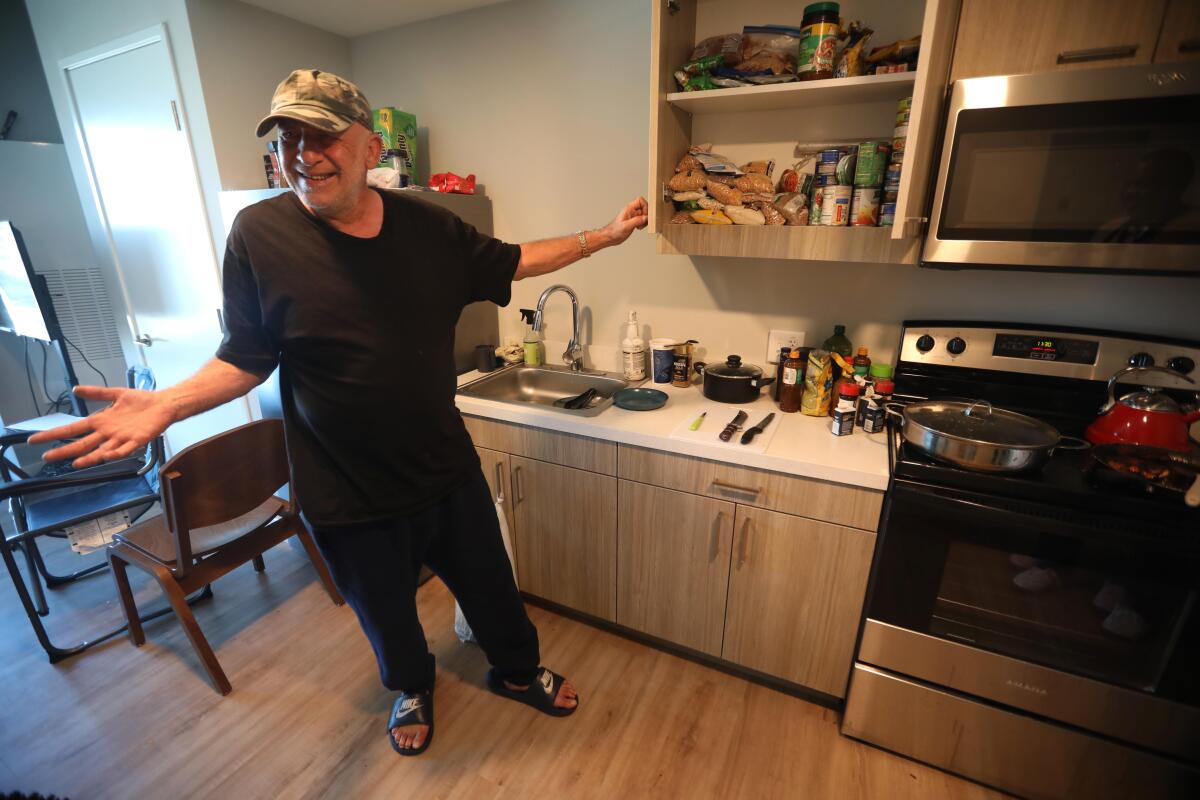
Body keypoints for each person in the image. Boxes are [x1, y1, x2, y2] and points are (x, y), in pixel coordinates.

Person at [29, 68, 649, 756]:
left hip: (444, 468)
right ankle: (411, 687)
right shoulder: (257, 235)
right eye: (289, 137)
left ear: (367, 146)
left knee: (493, 590)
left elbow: (514, 261)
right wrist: (169, 403)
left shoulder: (429, 226)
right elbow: (245, 354)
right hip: (344, 491)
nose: (303, 153)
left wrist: (602, 237)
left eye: (321, 135)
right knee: (386, 615)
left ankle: (516, 670)